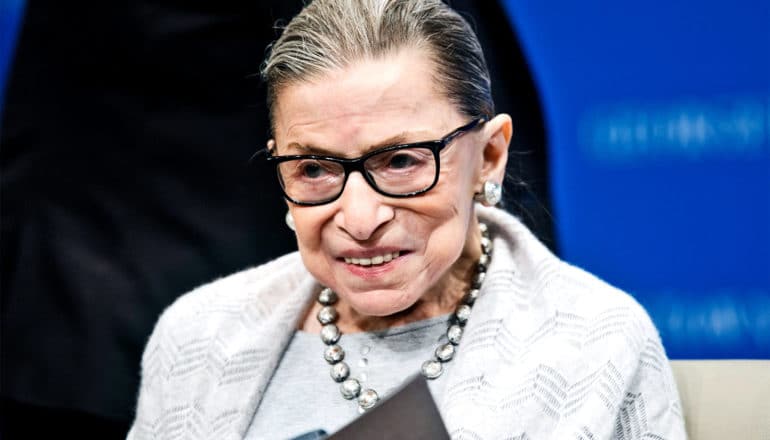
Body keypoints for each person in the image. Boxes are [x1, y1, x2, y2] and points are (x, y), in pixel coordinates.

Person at [129, 0, 685, 438]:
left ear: (488, 156)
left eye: (400, 162)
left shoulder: (596, 340)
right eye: (315, 169)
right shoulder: (197, 336)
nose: (361, 218)